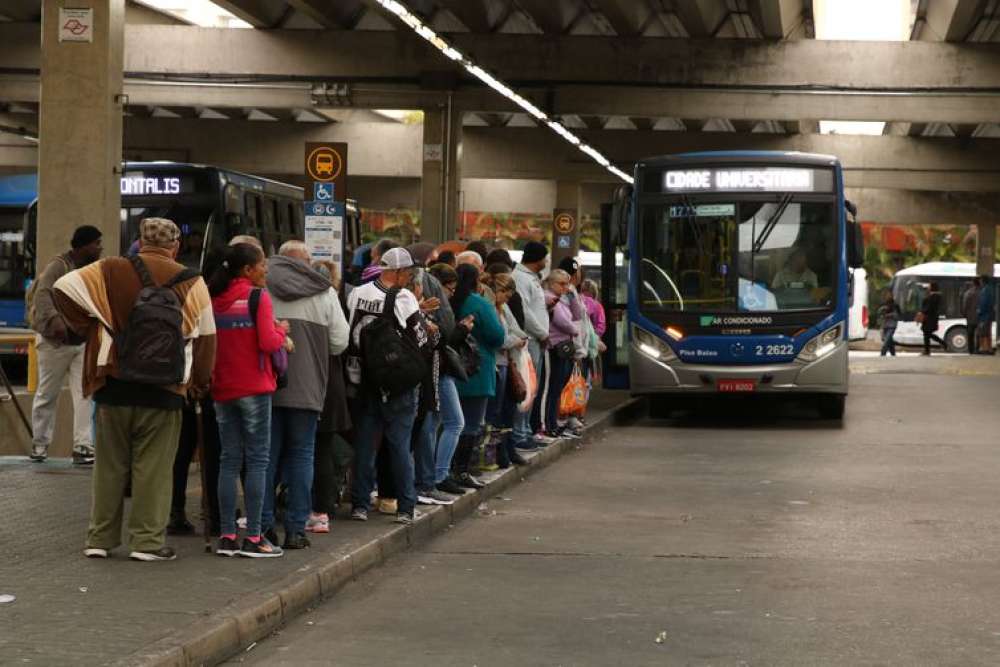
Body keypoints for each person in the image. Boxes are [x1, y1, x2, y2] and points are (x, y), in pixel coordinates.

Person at [53, 218, 216, 561]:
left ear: (140, 243)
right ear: (176, 247)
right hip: (165, 389)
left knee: (109, 466)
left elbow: (62, 287)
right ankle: (146, 542)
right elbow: (206, 338)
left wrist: (91, 323)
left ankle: (99, 539)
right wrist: (200, 382)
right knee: (153, 469)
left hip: (114, 382)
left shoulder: (111, 268)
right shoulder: (192, 281)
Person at [170, 235, 263, 537]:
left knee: (181, 452)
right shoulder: (219, 297)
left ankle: (175, 512)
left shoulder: (190, 290)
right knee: (214, 451)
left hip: (180, 379)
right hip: (208, 381)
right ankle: (213, 514)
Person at [261, 241, 349, 550]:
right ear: (306, 262)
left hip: (267, 386)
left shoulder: (261, 286)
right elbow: (339, 342)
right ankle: (296, 530)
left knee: (266, 457)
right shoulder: (324, 292)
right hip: (309, 388)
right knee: (302, 456)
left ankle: (263, 527)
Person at [209, 243, 289, 558]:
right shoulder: (258, 298)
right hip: (254, 387)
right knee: (257, 460)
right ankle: (254, 537)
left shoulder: (214, 299)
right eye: (262, 265)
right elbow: (268, 342)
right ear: (247, 270)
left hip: (223, 387)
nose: (265, 270)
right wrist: (282, 332)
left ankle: (227, 534)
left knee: (228, 460)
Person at [347, 247, 430, 524]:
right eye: (408, 272)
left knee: (364, 446)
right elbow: (420, 339)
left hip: (365, 379)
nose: (409, 277)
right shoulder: (404, 297)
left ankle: (359, 504)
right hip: (396, 383)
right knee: (399, 447)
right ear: (397, 272)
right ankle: (406, 507)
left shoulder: (357, 293)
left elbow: (350, 335)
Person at [27, 224, 103, 464]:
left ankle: (82, 446)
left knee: (84, 395)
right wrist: (56, 320)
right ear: (83, 246)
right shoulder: (58, 265)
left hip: (81, 342)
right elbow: (43, 294)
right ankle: (39, 444)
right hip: (55, 343)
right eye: (96, 244)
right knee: (47, 394)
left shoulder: (91, 268)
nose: (100, 248)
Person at [306, 260, 354, 534]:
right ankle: (321, 509)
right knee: (320, 449)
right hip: (327, 384)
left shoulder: (280, 295)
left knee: (292, 449)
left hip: (291, 386)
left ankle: (289, 506)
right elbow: (340, 343)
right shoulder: (329, 298)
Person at [450, 263, 505, 488]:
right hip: (476, 369)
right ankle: (461, 470)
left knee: (449, 424)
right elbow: (497, 336)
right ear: (476, 281)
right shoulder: (479, 304)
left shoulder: (447, 302)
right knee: (471, 423)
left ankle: (444, 469)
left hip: (449, 368)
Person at [427, 263, 471, 495]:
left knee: (435, 423)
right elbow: (447, 338)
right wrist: (462, 330)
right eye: (450, 289)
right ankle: (439, 474)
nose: (452, 294)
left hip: (440, 368)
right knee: (455, 422)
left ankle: (434, 474)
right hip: (440, 369)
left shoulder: (434, 306)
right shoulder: (435, 308)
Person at [482, 270, 529, 468]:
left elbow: (515, 329)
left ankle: (506, 450)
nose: (506, 298)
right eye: (505, 294)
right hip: (496, 362)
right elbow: (500, 337)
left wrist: (518, 338)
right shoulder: (490, 308)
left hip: (507, 362)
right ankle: (492, 454)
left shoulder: (504, 308)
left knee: (507, 409)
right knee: (494, 411)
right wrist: (515, 340)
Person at [511, 241, 550, 451]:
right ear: (537, 259)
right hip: (531, 340)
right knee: (526, 385)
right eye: (544, 257)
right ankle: (519, 433)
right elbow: (525, 312)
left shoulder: (531, 278)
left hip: (537, 340)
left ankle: (525, 429)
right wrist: (542, 333)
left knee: (533, 387)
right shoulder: (520, 278)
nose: (546, 261)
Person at [541, 269, 582, 438]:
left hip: (565, 348)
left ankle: (553, 422)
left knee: (559, 387)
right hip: (555, 348)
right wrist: (575, 330)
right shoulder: (549, 298)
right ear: (551, 283)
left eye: (567, 284)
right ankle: (549, 423)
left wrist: (573, 297)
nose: (565, 287)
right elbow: (564, 322)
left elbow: (577, 315)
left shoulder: (563, 300)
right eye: (562, 284)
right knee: (554, 388)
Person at [920, 281, 945, 356]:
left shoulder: (934, 296)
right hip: (930, 318)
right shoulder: (933, 296)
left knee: (927, 334)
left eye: (929, 286)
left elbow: (929, 307)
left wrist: (922, 312)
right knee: (927, 334)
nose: (928, 287)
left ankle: (928, 350)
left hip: (929, 318)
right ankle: (928, 349)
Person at [961, 278, 981, 355]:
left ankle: (971, 350)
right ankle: (978, 348)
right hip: (980, 316)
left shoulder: (968, 293)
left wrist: (964, 313)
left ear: (973, 283)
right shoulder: (982, 292)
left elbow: (965, 305)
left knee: (970, 334)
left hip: (970, 316)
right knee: (979, 334)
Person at [877, 292, 901, 357]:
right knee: (889, 340)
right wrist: (882, 311)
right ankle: (893, 353)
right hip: (885, 325)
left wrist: (888, 315)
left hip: (892, 325)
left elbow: (897, 316)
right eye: (887, 295)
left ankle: (883, 353)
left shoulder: (895, 305)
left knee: (886, 340)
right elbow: (879, 314)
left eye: (889, 295)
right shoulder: (883, 305)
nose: (888, 296)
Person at [977, 274, 995, 354]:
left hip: (984, 316)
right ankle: (989, 348)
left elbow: (984, 303)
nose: (979, 282)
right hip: (989, 315)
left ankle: (984, 349)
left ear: (983, 281)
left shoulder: (985, 290)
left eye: (980, 280)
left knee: (983, 333)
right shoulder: (990, 289)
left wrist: (979, 310)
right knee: (988, 332)